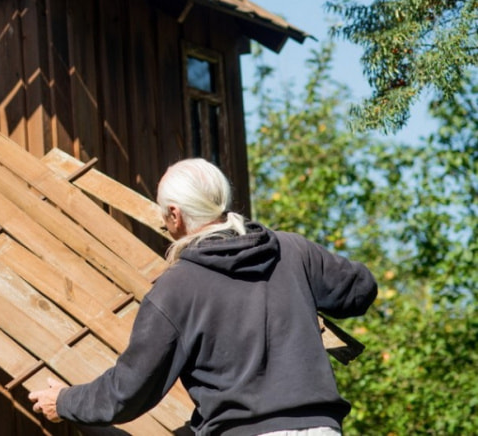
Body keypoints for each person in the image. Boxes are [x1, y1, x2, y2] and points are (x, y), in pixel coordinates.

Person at [29, 158, 377, 435]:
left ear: (175, 215)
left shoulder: (176, 289)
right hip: (322, 429)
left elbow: (129, 391)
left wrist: (64, 401)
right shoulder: (292, 250)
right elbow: (360, 290)